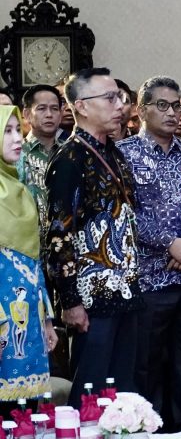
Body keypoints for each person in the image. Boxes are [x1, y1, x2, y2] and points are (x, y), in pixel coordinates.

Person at [117, 77, 181, 433]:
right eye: (161, 105)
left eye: (176, 105)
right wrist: (169, 244)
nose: (170, 112)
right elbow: (124, 215)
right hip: (150, 278)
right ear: (141, 109)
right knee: (147, 364)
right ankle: (150, 430)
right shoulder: (125, 154)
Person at [44, 68, 144, 399]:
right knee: (90, 393)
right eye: (110, 98)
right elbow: (58, 235)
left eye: (121, 97)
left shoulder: (113, 152)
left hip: (125, 291)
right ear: (82, 106)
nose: (120, 105)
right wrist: (70, 302)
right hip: (91, 298)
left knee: (123, 394)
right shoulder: (70, 159)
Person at [0, 104, 58, 400]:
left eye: (17, 130)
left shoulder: (19, 190)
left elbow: (33, 265)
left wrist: (46, 317)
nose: (17, 139)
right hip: (1, 323)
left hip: (26, 316)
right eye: (7, 131)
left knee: (27, 411)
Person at [18, 84, 62, 231]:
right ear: (26, 114)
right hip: (27, 242)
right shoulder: (16, 154)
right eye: (41, 108)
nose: (49, 114)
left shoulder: (70, 152)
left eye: (54, 109)